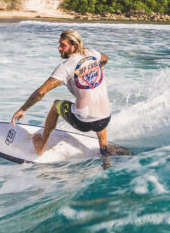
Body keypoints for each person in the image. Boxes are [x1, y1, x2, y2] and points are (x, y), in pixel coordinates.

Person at [10, 29, 111, 157]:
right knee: (95, 98)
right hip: (106, 118)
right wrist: (100, 67)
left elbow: (41, 91)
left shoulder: (66, 67)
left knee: (56, 105)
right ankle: (104, 149)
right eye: (59, 44)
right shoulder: (93, 54)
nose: (59, 48)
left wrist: (23, 109)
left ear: (74, 46)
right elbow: (105, 58)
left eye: (63, 45)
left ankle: (41, 147)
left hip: (84, 122)